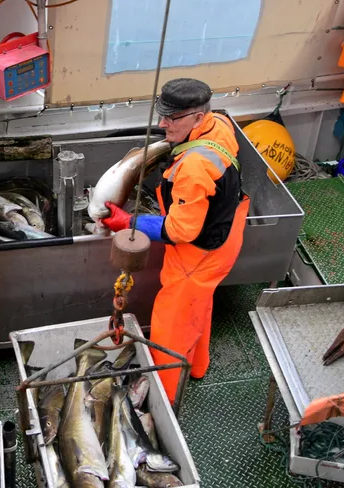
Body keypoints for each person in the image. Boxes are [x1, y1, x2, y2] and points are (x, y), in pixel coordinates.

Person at [100, 78, 250, 403]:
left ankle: (161, 398)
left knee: (172, 325)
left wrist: (130, 221)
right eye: (162, 115)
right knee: (200, 305)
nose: (161, 124)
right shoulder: (219, 123)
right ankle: (197, 366)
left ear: (197, 117)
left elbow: (182, 231)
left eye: (172, 119)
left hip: (196, 256)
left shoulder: (194, 168)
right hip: (226, 235)